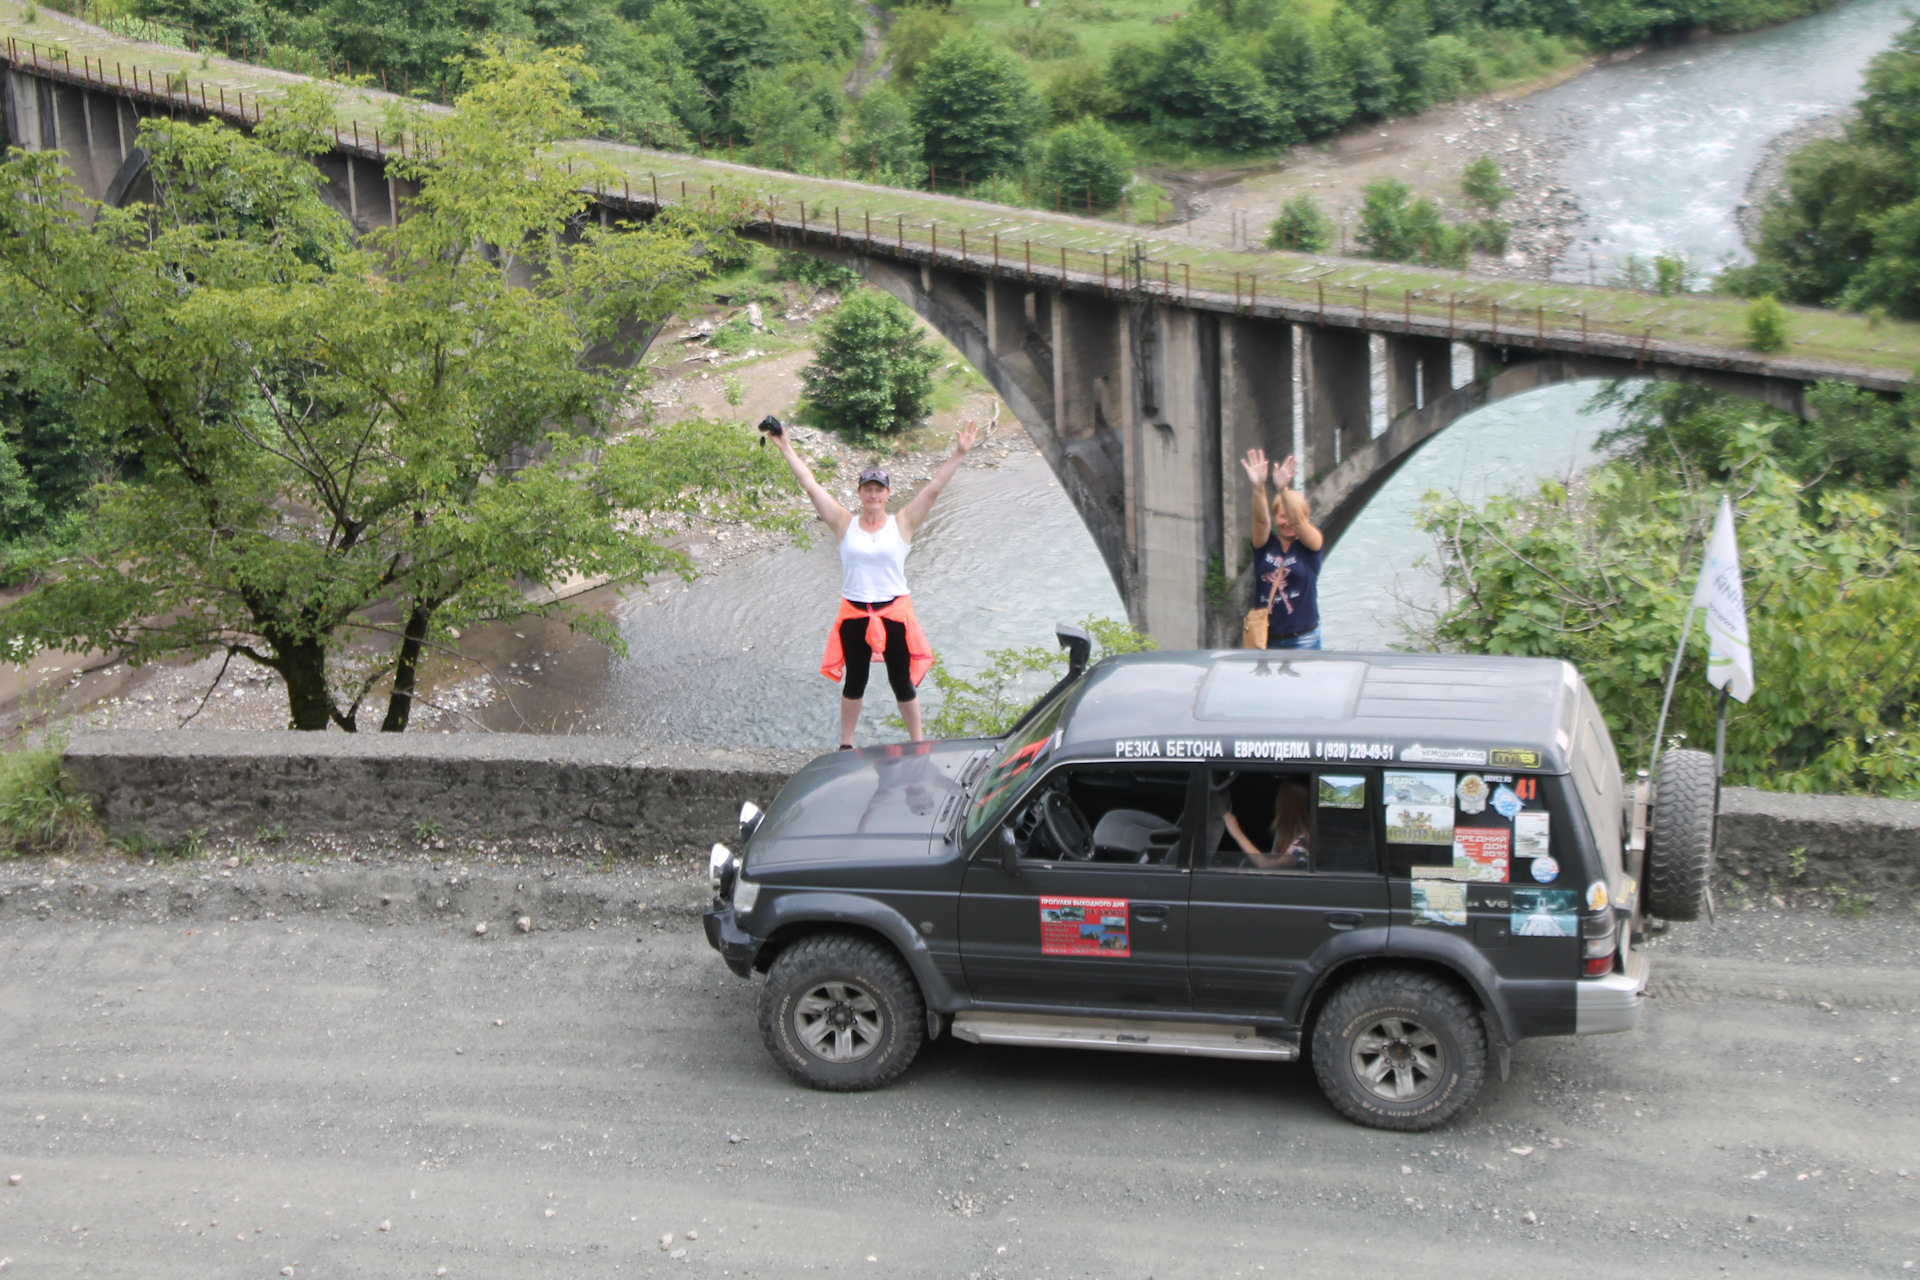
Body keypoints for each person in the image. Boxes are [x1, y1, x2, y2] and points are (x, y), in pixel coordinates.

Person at [768, 416, 978, 748]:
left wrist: (959, 453)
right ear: (860, 492)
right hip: (854, 613)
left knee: (901, 681)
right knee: (855, 681)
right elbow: (809, 484)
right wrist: (786, 447)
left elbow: (934, 489)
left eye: (879, 489)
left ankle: (917, 743)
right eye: (868, 488)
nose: (873, 494)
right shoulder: (843, 522)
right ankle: (846, 745)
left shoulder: (903, 523)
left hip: (893, 613)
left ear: (888, 493)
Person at [1241, 447, 1326, 650]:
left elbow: (1298, 523)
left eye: (1291, 516)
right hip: (1266, 638)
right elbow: (1261, 521)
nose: (1287, 522)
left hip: (1303, 640)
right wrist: (1258, 486)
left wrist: (1282, 490)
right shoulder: (1266, 545)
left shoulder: (1310, 546)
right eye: (1282, 516)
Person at [1222, 776, 1312, 869]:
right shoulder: (1288, 832)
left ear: (1286, 807)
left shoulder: (1301, 846)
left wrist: (1238, 834)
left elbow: (1267, 866)